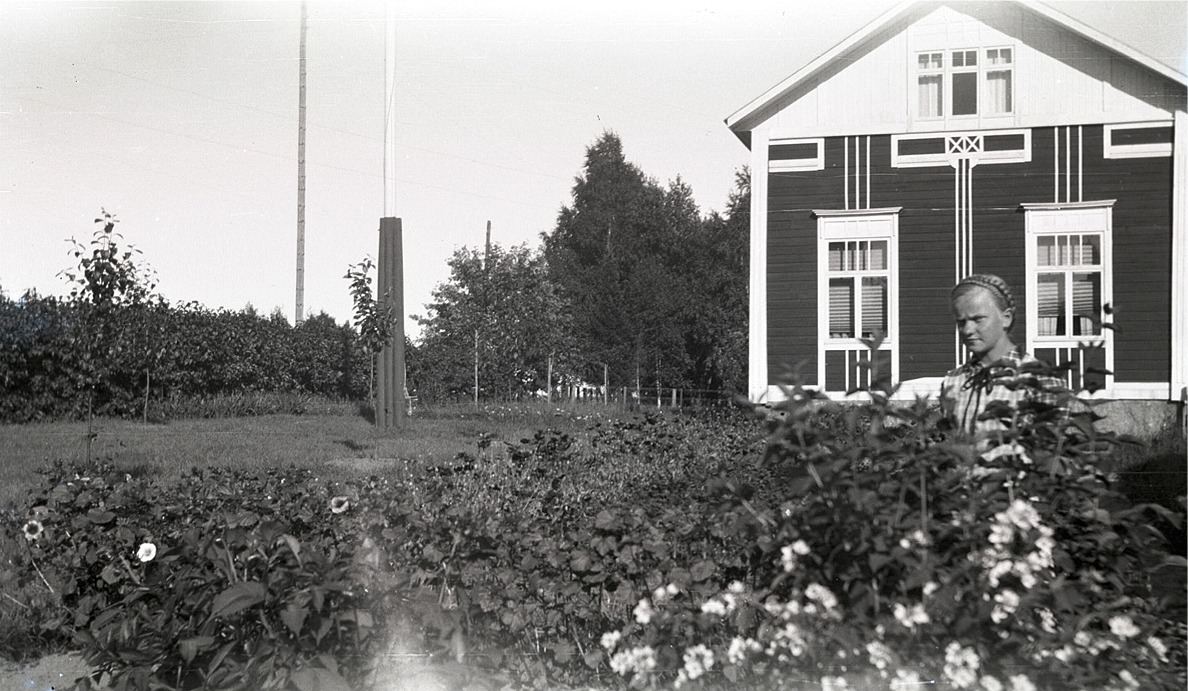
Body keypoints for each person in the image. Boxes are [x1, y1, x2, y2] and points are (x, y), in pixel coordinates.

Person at [940, 273, 1058, 440]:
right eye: (961, 322)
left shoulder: (1037, 378)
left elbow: (1053, 451)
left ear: (1006, 318)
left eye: (978, 319)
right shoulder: (954, 381)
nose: (967, 330)